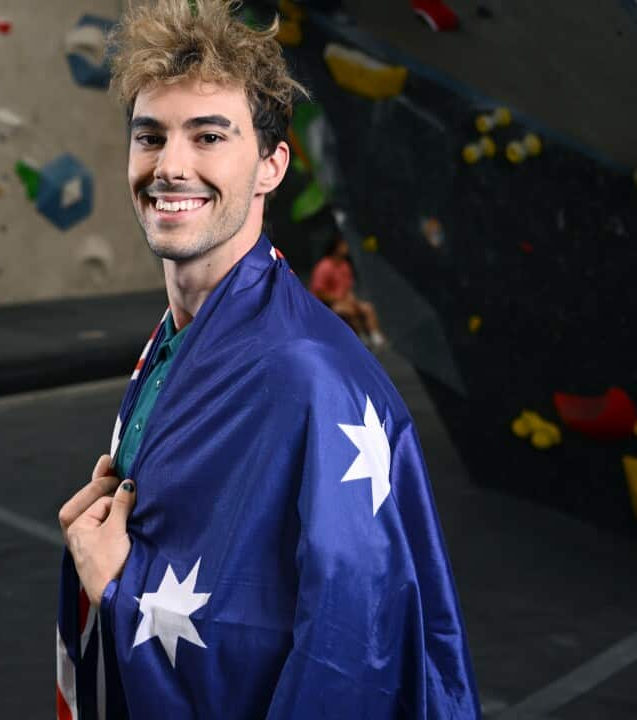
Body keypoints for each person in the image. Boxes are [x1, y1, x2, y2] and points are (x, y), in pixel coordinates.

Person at [55, 2, 478, 718]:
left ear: (271, 165)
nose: (170, 166)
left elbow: (349, 654)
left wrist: (120, 583)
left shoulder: (311, 376)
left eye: (209, 136)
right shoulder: (176, 343)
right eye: (149, 136)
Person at [310, 233, 388, 350]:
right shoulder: (324, 267)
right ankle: (361, 338)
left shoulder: (345, 265)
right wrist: (340, 300)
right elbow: (319, 292)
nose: (347, 247)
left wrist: (351, 299)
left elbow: (348, 288)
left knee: (367, 308)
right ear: (336, 247)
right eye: (343, 245)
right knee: (349, 311)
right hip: (328, 305)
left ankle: (375, 336)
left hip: (344, 299)